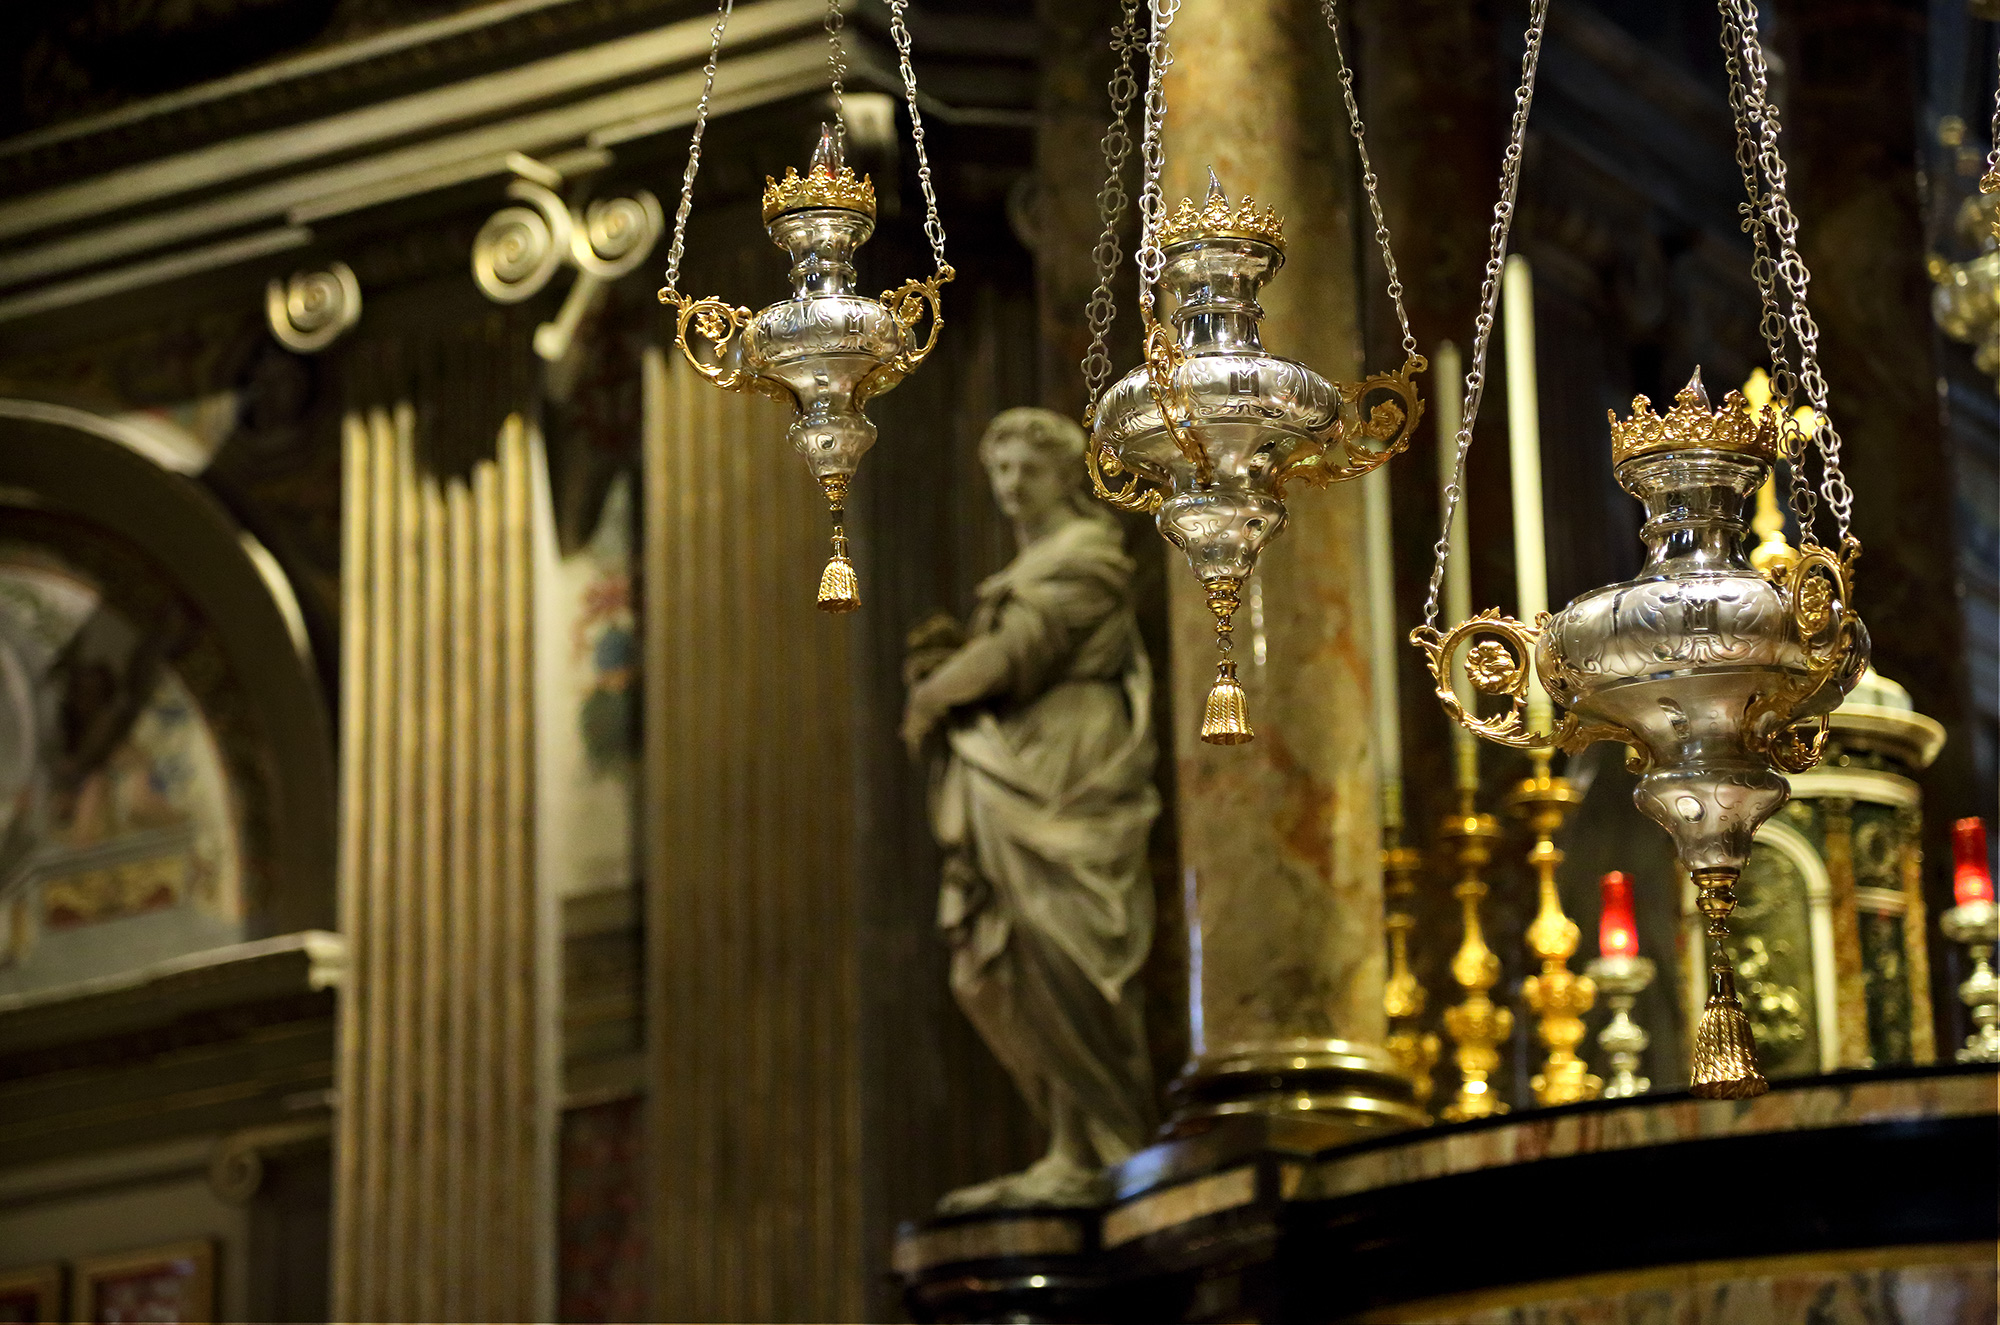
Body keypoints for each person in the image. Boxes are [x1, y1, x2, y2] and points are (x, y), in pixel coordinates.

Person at [903, 406, 1161, 1211]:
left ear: (1065, 477)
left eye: (1030, 470)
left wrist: (933, 695)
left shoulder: (1088, 556)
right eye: (1001, 471)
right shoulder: (1024, 569)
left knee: (1073, 947)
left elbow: (1022, 651)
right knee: (997, 961)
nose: (1013, 486)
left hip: (1071, 766)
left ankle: (1103, 1138)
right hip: (1019, 765)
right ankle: (1064, 1139)